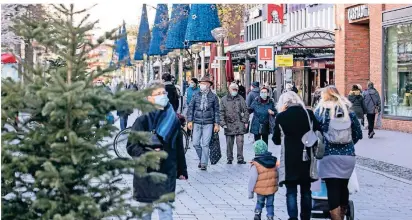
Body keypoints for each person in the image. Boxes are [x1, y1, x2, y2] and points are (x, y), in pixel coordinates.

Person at [126, 80, 188, 220]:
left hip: (167, 171)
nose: (162, 96)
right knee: (145, 213)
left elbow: (178, 146)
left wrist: (182, 170)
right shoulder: (142, 120)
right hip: (146, 173)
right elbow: (131, 146)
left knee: (166, 212)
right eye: (158, 94)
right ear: (149, 98)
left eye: (163, 93)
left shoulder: (173, 119)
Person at [314, 86, 362, 220]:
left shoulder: (321, 112)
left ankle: (336, 218)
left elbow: (315, 133)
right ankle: (343, 213)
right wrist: (348, 146)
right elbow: (358, 134)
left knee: (332, 188)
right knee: (343, 186)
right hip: (347, 157)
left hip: (328, 156)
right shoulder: (349, 113)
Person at [272, 91, 321, 220]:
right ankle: (305, 217)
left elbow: (276, 140)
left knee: (291, 191)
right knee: (306, 190)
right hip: (307, 156)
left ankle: (292, 217)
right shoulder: (308, 114)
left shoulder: (281, 117)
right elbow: (318, 131)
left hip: (289, 158)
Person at [187, 76, 220, 171]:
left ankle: (203, 164)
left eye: (204, 83)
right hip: (196, 122)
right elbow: (190, 108)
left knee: (205, 144)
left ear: (209, 85)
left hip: (208, 123)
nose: (202, 85)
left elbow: (217, 111)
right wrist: (189, 121)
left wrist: (217, 124)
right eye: (201, 83)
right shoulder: (196, 95)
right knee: (195, 143)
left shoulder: (213, 97)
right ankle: (202, 159)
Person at [248, 140, 279, 220]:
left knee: (260, 202)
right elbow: (277, 174)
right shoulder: (273, 161)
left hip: (260, 189)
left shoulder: (255, 164)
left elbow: (252, 179)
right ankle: (270, 216)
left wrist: (250, 192)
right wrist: (277, 184)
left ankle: (258, 213)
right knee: (270, 204)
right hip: (271, 188)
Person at [220, 83, 249, 164]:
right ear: (229, 89)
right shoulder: (224, 99)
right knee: (229, 143)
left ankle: (240, 158)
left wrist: (244, 120)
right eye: (233, 89)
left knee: (240, 142)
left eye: (236, 89)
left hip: (239, 124)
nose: (235, 91)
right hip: (228, 124)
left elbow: (246, 110)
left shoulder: (240, 98)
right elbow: (221, 112)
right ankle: (229, 158)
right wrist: (222, 123)